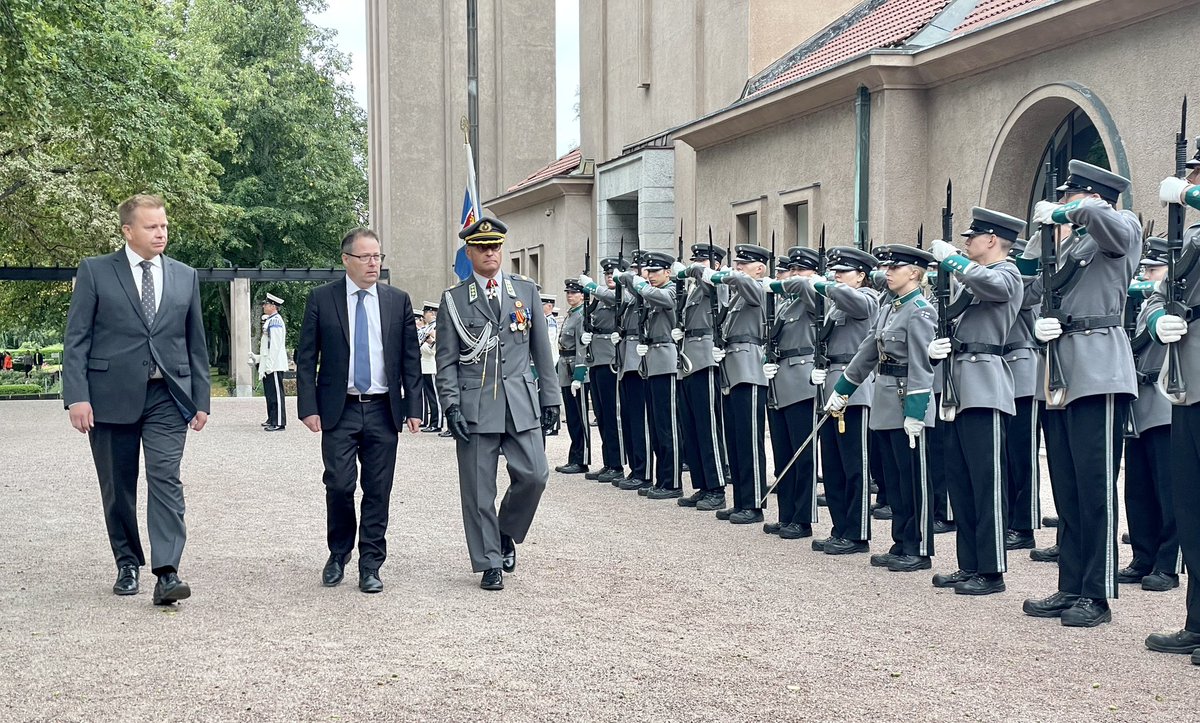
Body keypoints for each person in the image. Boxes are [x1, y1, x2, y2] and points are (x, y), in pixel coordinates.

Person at [63, 193, 210, 605]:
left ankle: (167, 572)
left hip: (167, 395)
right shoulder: (95, 271)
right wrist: (77, 396)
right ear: (128, 231)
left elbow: (195, 342)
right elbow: (77, 339)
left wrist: (201, 398)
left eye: (163, 225)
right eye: (151, 226)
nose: (161, 232)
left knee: (166, 478)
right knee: (118, 486)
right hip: (109, 397)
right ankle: (127, 562)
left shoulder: (185, 275)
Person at [1024, 159, 1140, 627]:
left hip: (1099, 368)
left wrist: (1068, 213)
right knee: (1068, 489)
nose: (1062, 207)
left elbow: (1105, 221)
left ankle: (1098, 592)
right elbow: (1030, 286)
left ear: (1091, 197)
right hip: (1059, 370)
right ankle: (1070, 584)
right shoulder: (1069, 246)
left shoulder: (1120, 228)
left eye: (1070, 198)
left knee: (1096, 489)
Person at [295, 228, 423, 594]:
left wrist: (413, 405)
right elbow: (306, 358)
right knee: (338, 483)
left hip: (383, 408)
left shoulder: (397, 301)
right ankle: (339, 553)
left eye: (378, 256)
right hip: (340, 408)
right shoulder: (323, 299)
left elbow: (410, 358)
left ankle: (371, 563)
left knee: (378, 488)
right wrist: (308, 406)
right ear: (346, 260)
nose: (373, 263)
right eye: (366, 257)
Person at [436, 216, 560, 591]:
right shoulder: (454, 300)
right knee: (478, 490)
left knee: (535, 474)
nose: (490, 253)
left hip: (521, 401)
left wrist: (551, 398)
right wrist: (451, 405)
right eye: (482, 247)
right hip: (475, 407)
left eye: (495, 246)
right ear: (469, 252)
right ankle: (489, 561)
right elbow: (446, 360)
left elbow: (541, 350)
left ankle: (506, 531)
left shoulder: (525, 291)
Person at [926, 208, 1025, 595]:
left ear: (991, 240)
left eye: (972, 238)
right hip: (957, 384)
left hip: (985, 383)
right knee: (962, 482)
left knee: (987, 483)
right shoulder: (971, 279)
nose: (966, 244)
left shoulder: (1008, 273)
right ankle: (969, 564)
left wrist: (951, 258)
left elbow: (993, 288)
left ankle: (992, 569)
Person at [826, 244, 938, 573]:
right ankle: (900, 541)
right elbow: (867, 352)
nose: (887, 272)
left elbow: (921, 365)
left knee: (913, 478)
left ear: (914, 273)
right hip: (887, 400)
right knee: (895, 477)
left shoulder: (918, 310)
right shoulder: (890, 307)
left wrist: (916, 411)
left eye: (896, 268)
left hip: (908, 402)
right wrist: (843, 389)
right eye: (888, 267)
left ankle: (918, 547)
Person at [783, 245, 879, 555]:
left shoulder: (867, 298)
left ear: (861, 276)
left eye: (843, 273)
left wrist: (825, 284)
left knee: (855, 464)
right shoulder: (835, 303)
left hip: (855, 386)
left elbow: (852, 302)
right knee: (834, 465)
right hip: (829, 385)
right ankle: (840, 528)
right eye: (834, 272)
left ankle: (858, 532)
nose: (836, 277)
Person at [1144, 159, 1200, 662]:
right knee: (1191, 508)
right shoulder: (1189, 239)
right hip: (1187, 383)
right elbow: (1154, 295)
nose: (1192, 184)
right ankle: (1197, 621)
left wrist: (1187, 200)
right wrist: (1159, 315)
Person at [1120, 238, 1179, 592]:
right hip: (1139, 404)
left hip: (1164, 399)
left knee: (1168, 488)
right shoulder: (1141, 305)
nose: (1146, 276)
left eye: (1154, 269)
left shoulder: (1171, 304)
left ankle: (1167, 563)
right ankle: (1143, 556)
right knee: (1138, 487)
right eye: (1143, 269)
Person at [703, 244, 771, 524]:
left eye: (745, 263)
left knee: (749, 440)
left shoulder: (759, 289)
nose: (739, 267)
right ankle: (741, 500)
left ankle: (754, 503)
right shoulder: (737, 297)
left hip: (750, 369)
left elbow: (744, 282)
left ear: (760, 268)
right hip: (732, 369)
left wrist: (720, 275)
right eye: (738, 263)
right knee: (735, 440)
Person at [762, 247, 822, 538]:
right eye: (792, 269)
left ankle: (803, 517)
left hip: (802, 380)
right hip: (780, 377)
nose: (795, 275)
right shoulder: (787, 304)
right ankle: (787, 514)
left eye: (802, 269)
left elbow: (801, 284)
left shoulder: (813, 296)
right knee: (783, 453)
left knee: (803, 454)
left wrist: (776, 283)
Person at [672, 244, 729, 511]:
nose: (696, 263)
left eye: (702, 260)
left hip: (705, 358)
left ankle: (716, 487)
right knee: (692, 427)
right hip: (688, 360)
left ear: (715, 264)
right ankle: (702, 484)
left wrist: (695, 271)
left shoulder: (717, 283)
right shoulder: (693, 290)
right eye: (694, 260)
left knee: (707, 427)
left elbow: (717, 290)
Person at [621, 251, 682, 498]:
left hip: (666, 361)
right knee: (656, 426)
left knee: (667, 425)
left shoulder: (671, 291)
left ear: (667, 272)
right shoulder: (651, 294)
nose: (650, 276)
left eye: (655, 271)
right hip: (651, 361)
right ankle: (660, 478)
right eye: (648, 271)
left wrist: (637, 282)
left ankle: (672, 481)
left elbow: (658, 297)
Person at [580, 257, 626, 483]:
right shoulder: (598, 300)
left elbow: (614, 299)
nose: (609, 276)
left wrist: (592, 287)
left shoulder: (620, 295)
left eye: (613, 273)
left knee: (612, 413)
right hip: (596, 359)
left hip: (610, 359)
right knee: (600, 414)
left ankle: (617, 463)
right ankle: (609, 461)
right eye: (606, 273)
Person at [555, 278, 591, 474]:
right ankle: (574, 455)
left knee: (580, 416)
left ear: (583, 295)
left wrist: (579, 373)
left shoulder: (582, 315)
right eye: (568, 292)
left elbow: (582, 346)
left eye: (574, 293)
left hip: (575, 369)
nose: (570, 295)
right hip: (564, 366)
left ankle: (582, 457)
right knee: (571, 415)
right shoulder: (571, 314)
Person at [249, 292, 288, 431]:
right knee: (270, 393)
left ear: (273, 306)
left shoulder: (276, 321)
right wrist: (258, 358)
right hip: (270, 364)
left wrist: (270, 364)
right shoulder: (270, 320)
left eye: (266, 304)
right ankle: (272, 418)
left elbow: (275, 346)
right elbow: (267, 347)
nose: (264, 306)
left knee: (276, 393)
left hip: (275, 365)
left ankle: (278, 422)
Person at [418, 301, 442, 433]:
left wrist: (428, 343)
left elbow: (436, 348)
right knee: (429, 396)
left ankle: (437, 422)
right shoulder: (428, 328)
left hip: (431, 365)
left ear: (431, 313)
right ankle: (432, 422)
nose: (423, 316)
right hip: (425, 365)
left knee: (435, 397)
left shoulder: (435, 328)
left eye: (425, 313)